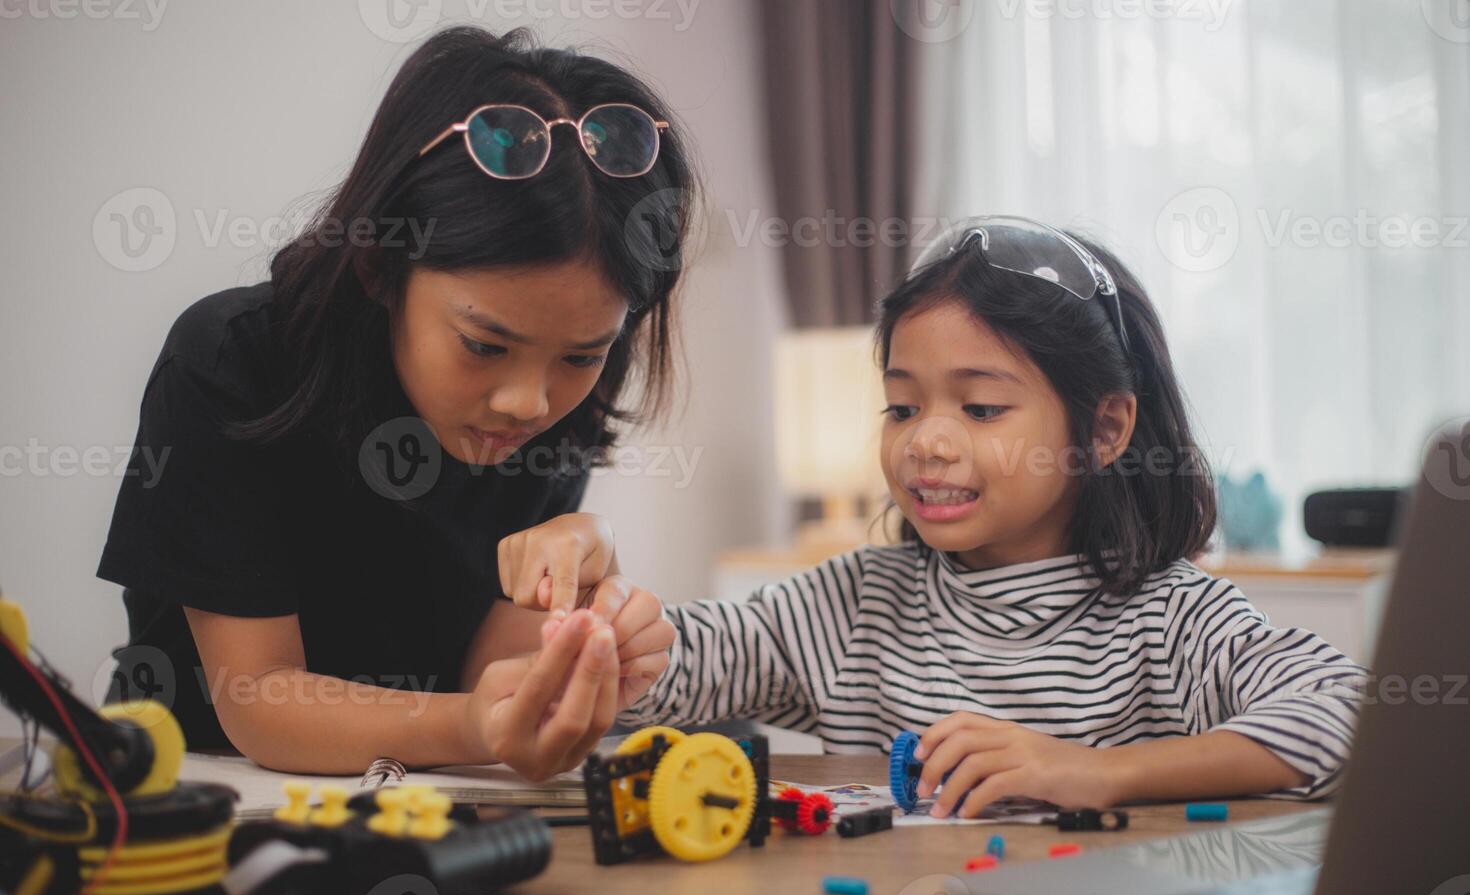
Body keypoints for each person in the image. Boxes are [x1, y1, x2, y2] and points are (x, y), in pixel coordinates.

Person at [615, 217, 1367, 816]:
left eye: (981, 408)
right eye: (902, 406)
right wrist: (602, 628)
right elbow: (668, 671)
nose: (925, 442)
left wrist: (1100, 773)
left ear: (1104, 429)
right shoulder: (852, 606)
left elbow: (1350, 716)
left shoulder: (1169, 620)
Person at [96, 26, 688, 779]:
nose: (527, 402)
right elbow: (258, 700)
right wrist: (475, 724)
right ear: (381, 265)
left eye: (582, 355)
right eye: (483, 344)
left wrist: (582, 637)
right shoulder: (231, 361)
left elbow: (487, 674)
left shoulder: (556, 401)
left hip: (417, 793)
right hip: (191, 788)